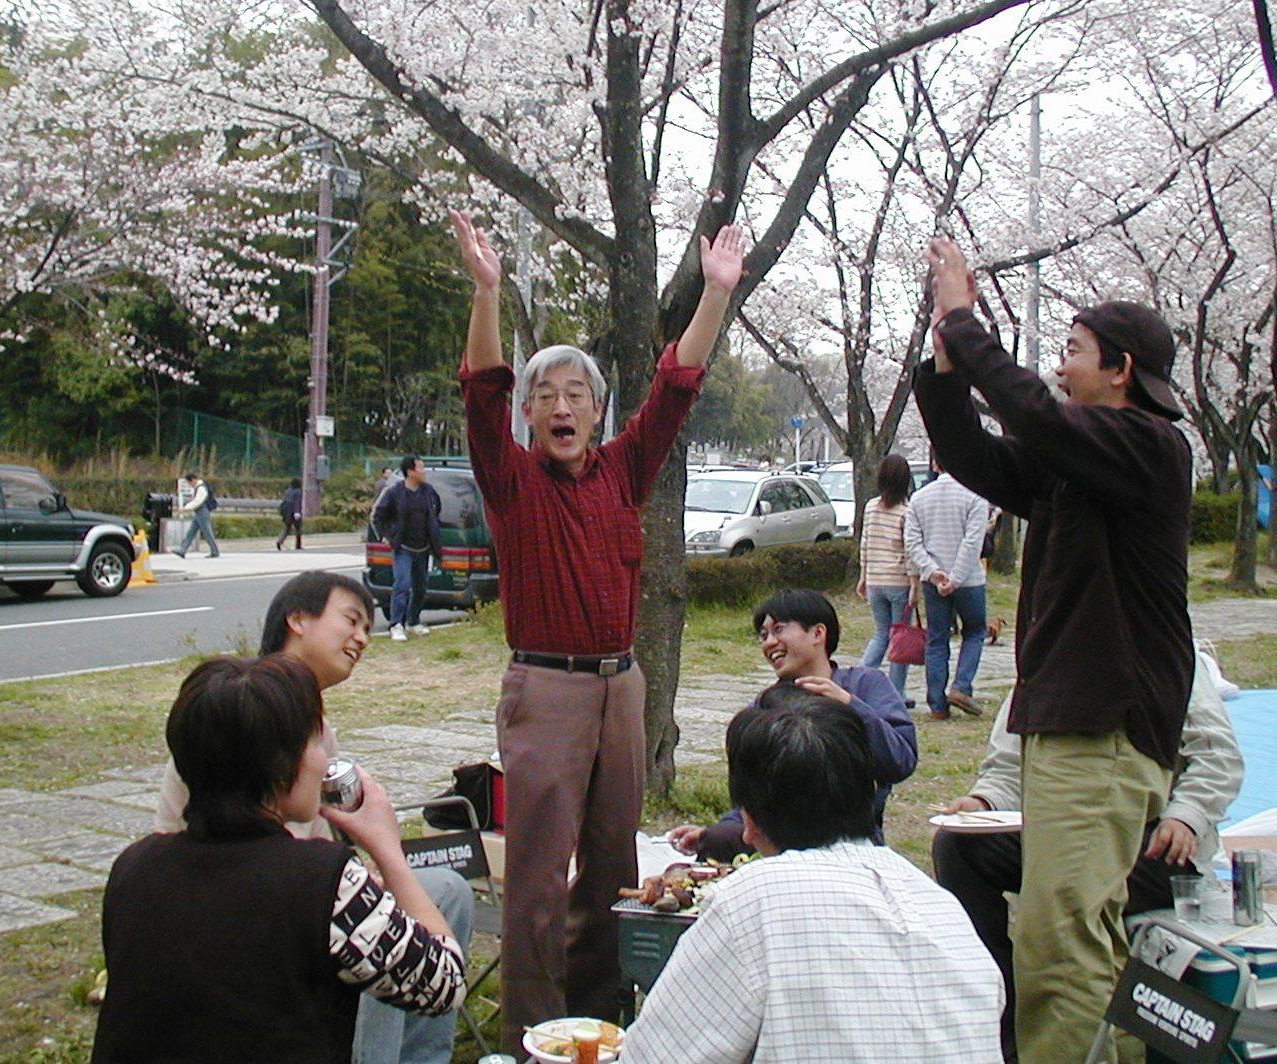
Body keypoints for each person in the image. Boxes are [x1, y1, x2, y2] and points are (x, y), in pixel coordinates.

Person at [449, 208, 747, 1051]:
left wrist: (715, 295)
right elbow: (481, 391)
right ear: (528, 416)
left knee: (614, 868)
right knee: (538, 876)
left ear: (598, 410)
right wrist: (486, 293)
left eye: (576, 394)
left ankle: (598, 1026)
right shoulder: (510, 480)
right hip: (545, 687)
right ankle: (532, 1035)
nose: (561, 406)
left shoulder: (624, 469)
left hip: (622, 687)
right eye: (545, 396)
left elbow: (676, 388)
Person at [915, 237, 1194, 1063]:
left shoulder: (1148, 446)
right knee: (1073, 932)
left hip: (1104, 723)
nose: (1060, 367)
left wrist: (965, 322)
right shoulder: (1083, 465)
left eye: (1073, 351)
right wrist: (945, 362)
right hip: (1074, 722)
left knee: (1059, 938)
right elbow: (974, 455)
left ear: (1122, 369)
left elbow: (1034, 414)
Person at [154, 571, 475, 1064]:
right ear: (298, 619)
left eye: (368, 627)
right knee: (371, 929)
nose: (362, 637)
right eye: (351, 620)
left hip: (295, 886)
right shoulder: (237, 709)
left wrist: (359, 872)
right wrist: (381, 854)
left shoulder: (311, 723)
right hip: (243, 900)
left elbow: (320, 844)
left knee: (447, 890)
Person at [94, 655, 467, 1063]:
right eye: (314, 742)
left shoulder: (134, 867)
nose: (323, 761)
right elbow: (443, 985)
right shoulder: (323, 881)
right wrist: (388, 850)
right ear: (280, 764)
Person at [625, 685, 1004, 1063]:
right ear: (870, 790)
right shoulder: (941, 905)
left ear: (749, 823)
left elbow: (655, 1056)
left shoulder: (752, 900)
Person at [933, 655, 1243, 1062]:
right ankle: (1003, 1014)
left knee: (1064, 901)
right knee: (959, 846)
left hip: (1153, 841)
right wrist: (983, 802)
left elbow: (1217, 756)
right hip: (1060, 834)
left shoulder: (1166, 650)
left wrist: (1187, 815)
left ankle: (1088, 1034)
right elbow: (1009, 765)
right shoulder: (1045, 653)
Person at [666, 588, 916, 859]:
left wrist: (849, 704)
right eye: (764, 635)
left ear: (818, 633)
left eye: (779, 630)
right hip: (776, 836)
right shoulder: (766, 704)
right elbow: (753, 786)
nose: (770, 642)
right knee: (716, 841)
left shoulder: (866, 684)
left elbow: (900, 761)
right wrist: (720, 828)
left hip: (848, 836)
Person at [904, 456, 990, 719]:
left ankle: (937, 703)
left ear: (935, 464)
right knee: (974, 631)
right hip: (969, 580)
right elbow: (972, 543)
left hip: (933, 579)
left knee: (937, 638)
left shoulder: (919, 498)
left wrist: (932, 572)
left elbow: (912, 542)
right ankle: (961, 686)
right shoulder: (975, 496)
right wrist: (956, 578)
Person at [856, 454, 920, 702]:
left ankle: (860, 680)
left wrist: (864, 575)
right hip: (898, 582)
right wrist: (914, 585)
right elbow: (910, 551)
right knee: (900, 639)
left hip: (875, 580)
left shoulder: (871, 507)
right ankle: (896, 693)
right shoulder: (906, 512)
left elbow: (865, 543)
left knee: (881, 634)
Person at [372, 456, 442, 642]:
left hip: (424, 546)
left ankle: (413, 621)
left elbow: (436, 510)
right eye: (421, 468)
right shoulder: (394, 492)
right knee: (402, 584)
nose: (424, 471)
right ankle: (396, 624)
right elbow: (377, 515)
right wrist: (384, 535)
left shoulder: (429, 491)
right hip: (403, 547)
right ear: (410, 472)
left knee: (421, 587)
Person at [172, 472, 220, 559]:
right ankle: (182, 550)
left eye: (189, 482)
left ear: (193, 480)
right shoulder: (200, 487)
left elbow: (197, 501)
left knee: (207, 532)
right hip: (199, 512)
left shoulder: (201, 488)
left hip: (202, 512)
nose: (189, 485)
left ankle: (214, 551)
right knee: (191, 532)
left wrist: (185, 508)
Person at [277, 478, 303, 551]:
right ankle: (298, 545)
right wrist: (297, 512)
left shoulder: (288, 491)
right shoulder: (298, 491)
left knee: (287, 527)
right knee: (298, 528)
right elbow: (297, 502)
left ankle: (280, 541)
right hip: (294, 512)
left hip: (286, 512)